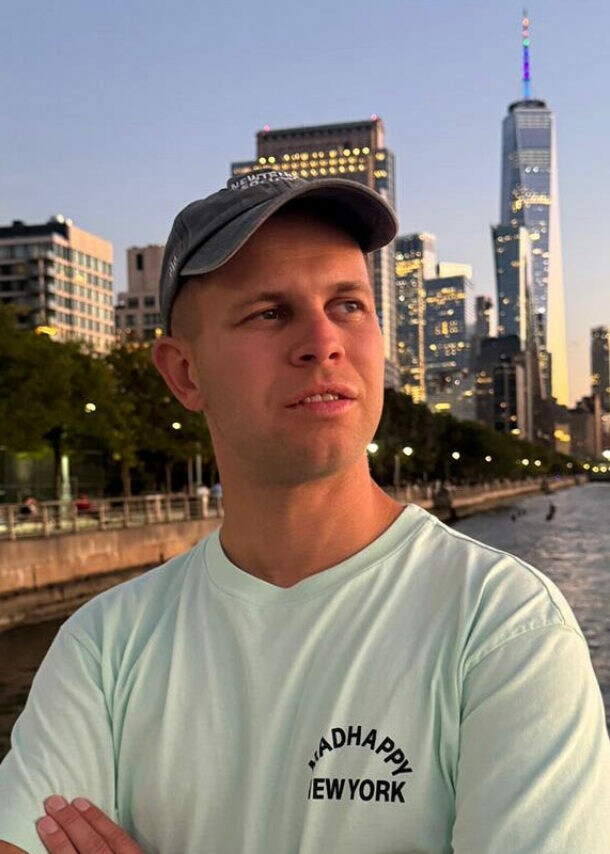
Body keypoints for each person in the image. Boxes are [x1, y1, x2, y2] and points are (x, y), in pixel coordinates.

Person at [0, 171, 608, 853]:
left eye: (348, 304)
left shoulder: (505, 631)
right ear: (184, 373)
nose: (323, 341)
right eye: (269, 312)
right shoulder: (102, 649)